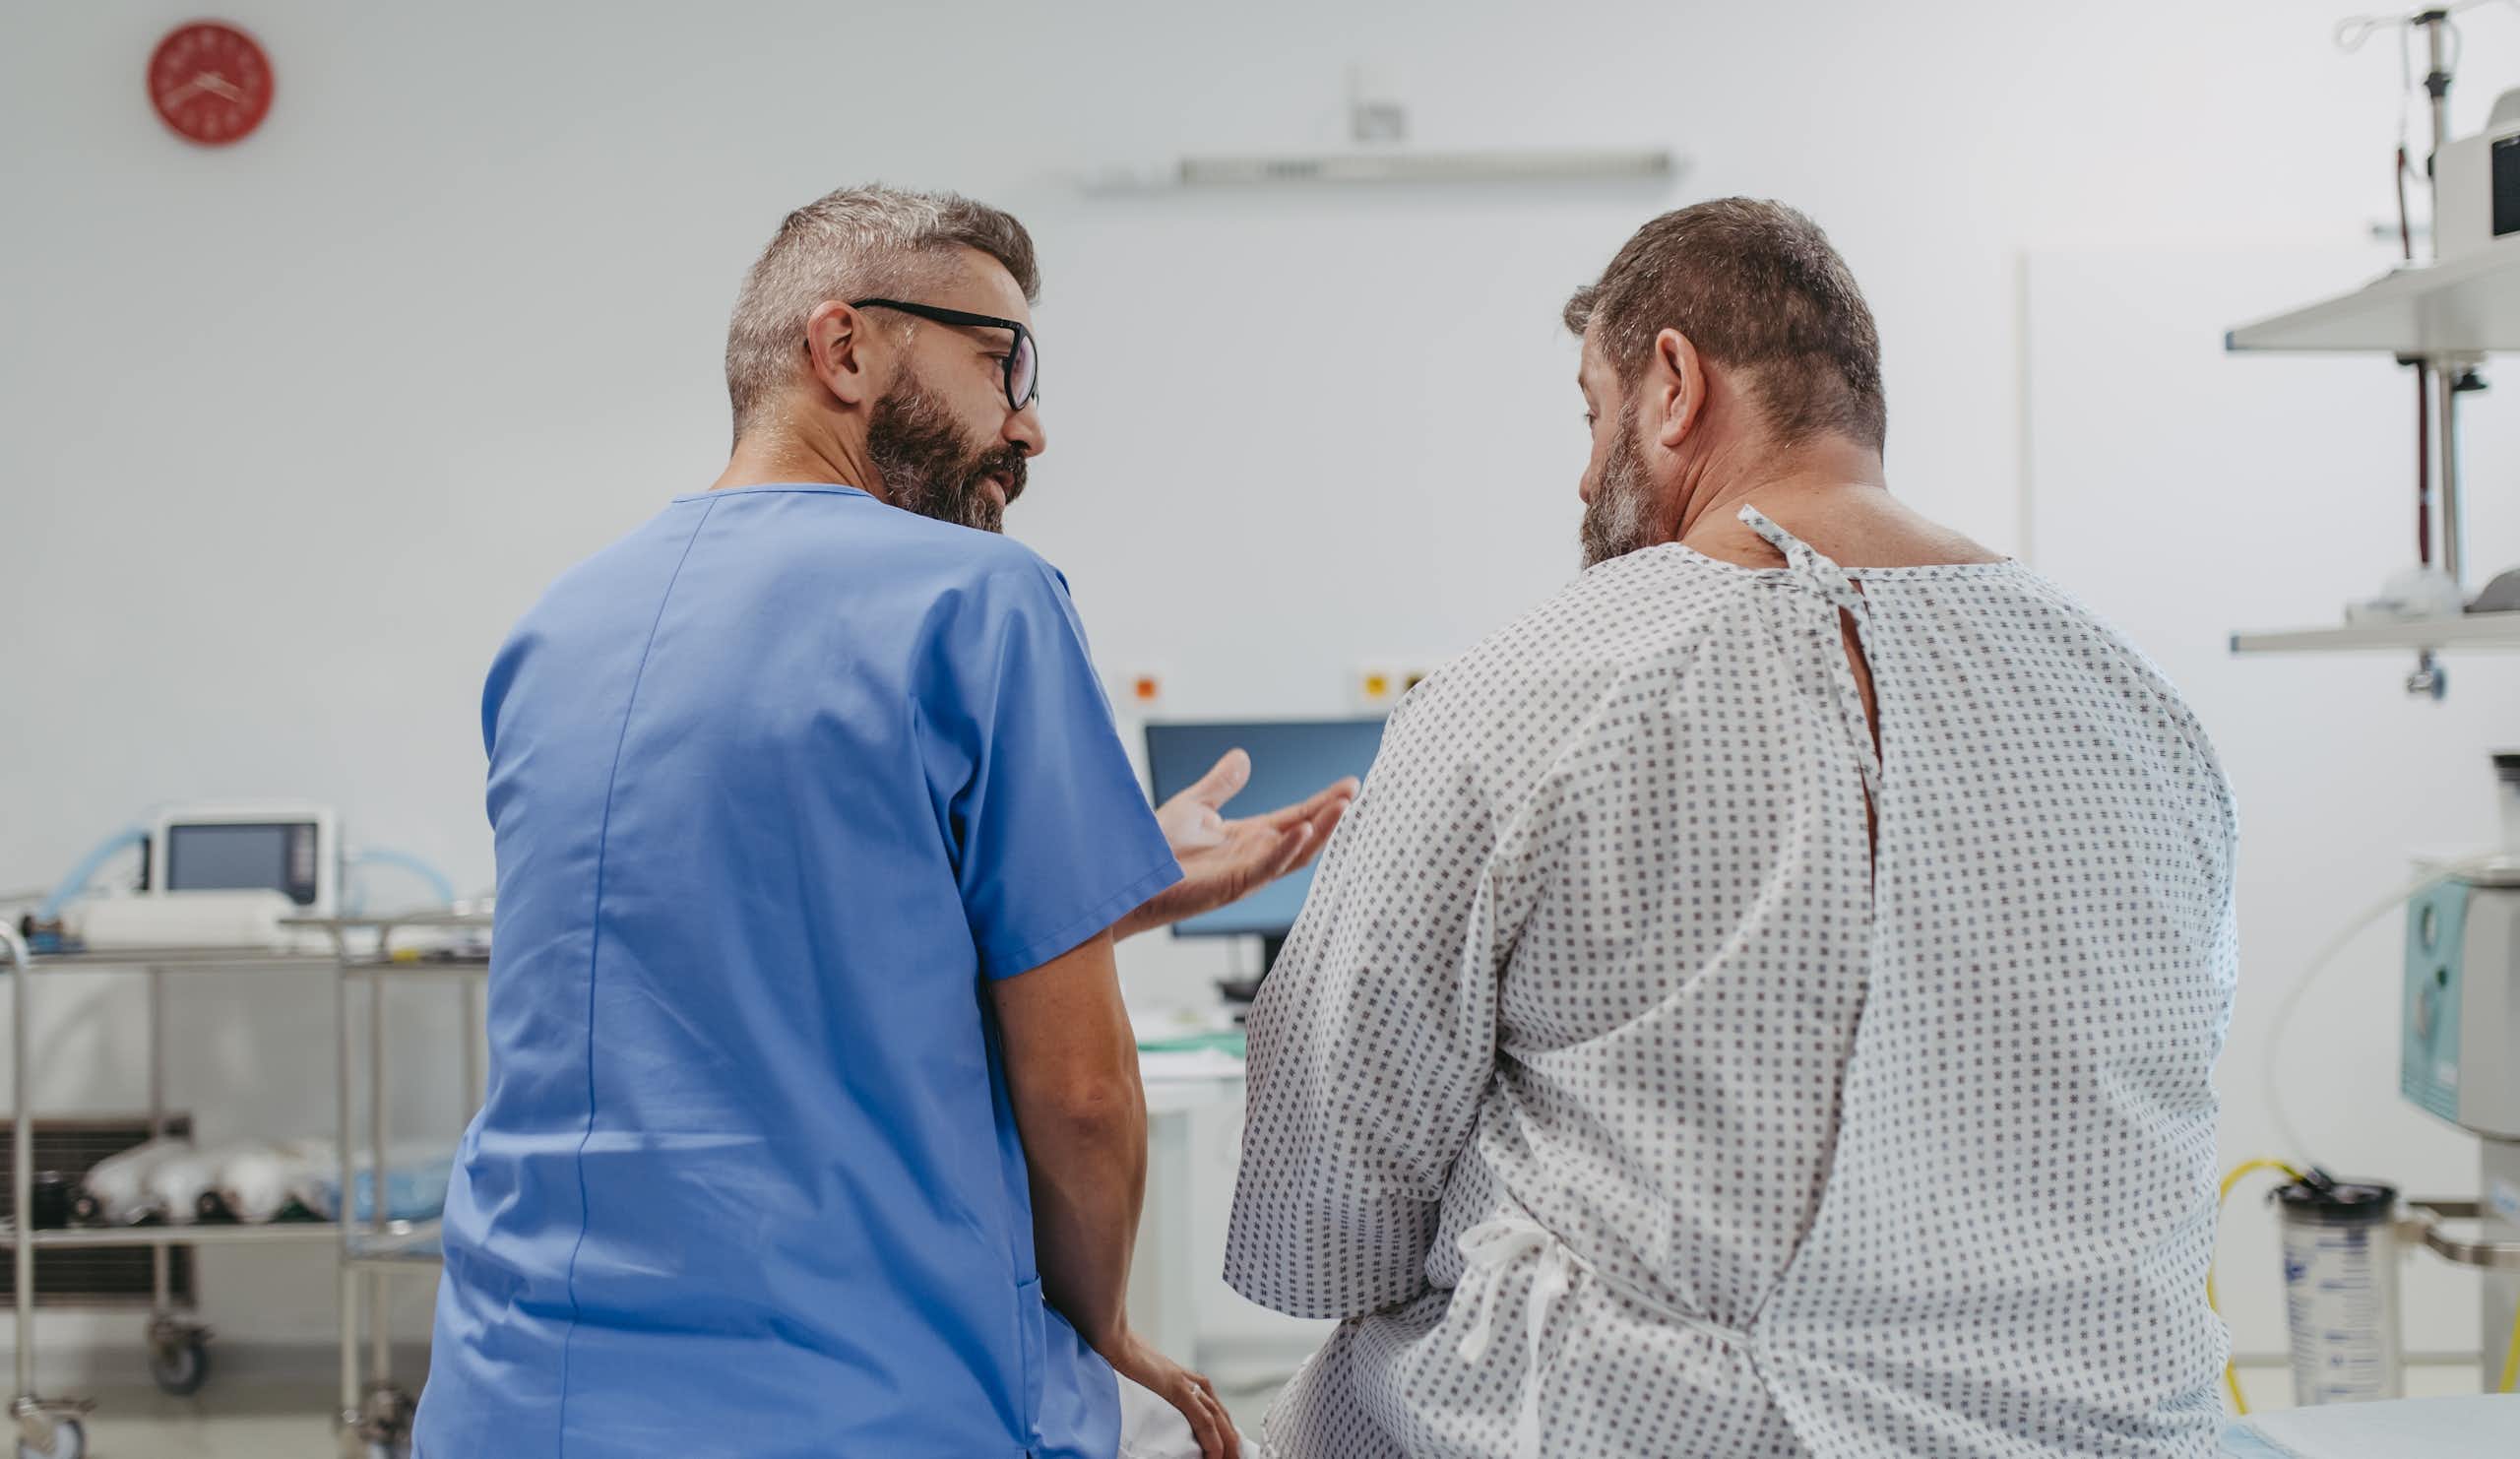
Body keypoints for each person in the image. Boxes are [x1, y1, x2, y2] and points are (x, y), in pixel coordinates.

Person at [1224, 199, 2238, 1458]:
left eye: (1591, 419)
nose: (1587, 475)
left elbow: (1323, 1214)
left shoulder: (1532, 685)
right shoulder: (2134, 700)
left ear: (1671, 384)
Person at [415, 185, 1351, 1459]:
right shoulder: (983, 599)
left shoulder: (558, 623)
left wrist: (1106, 883)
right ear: (844, 348)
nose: (1026, 423)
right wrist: (1106, 1322)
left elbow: (740, 941)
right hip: (856, 1397)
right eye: (997, 362)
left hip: (516, 1394)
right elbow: (1079, 1092)